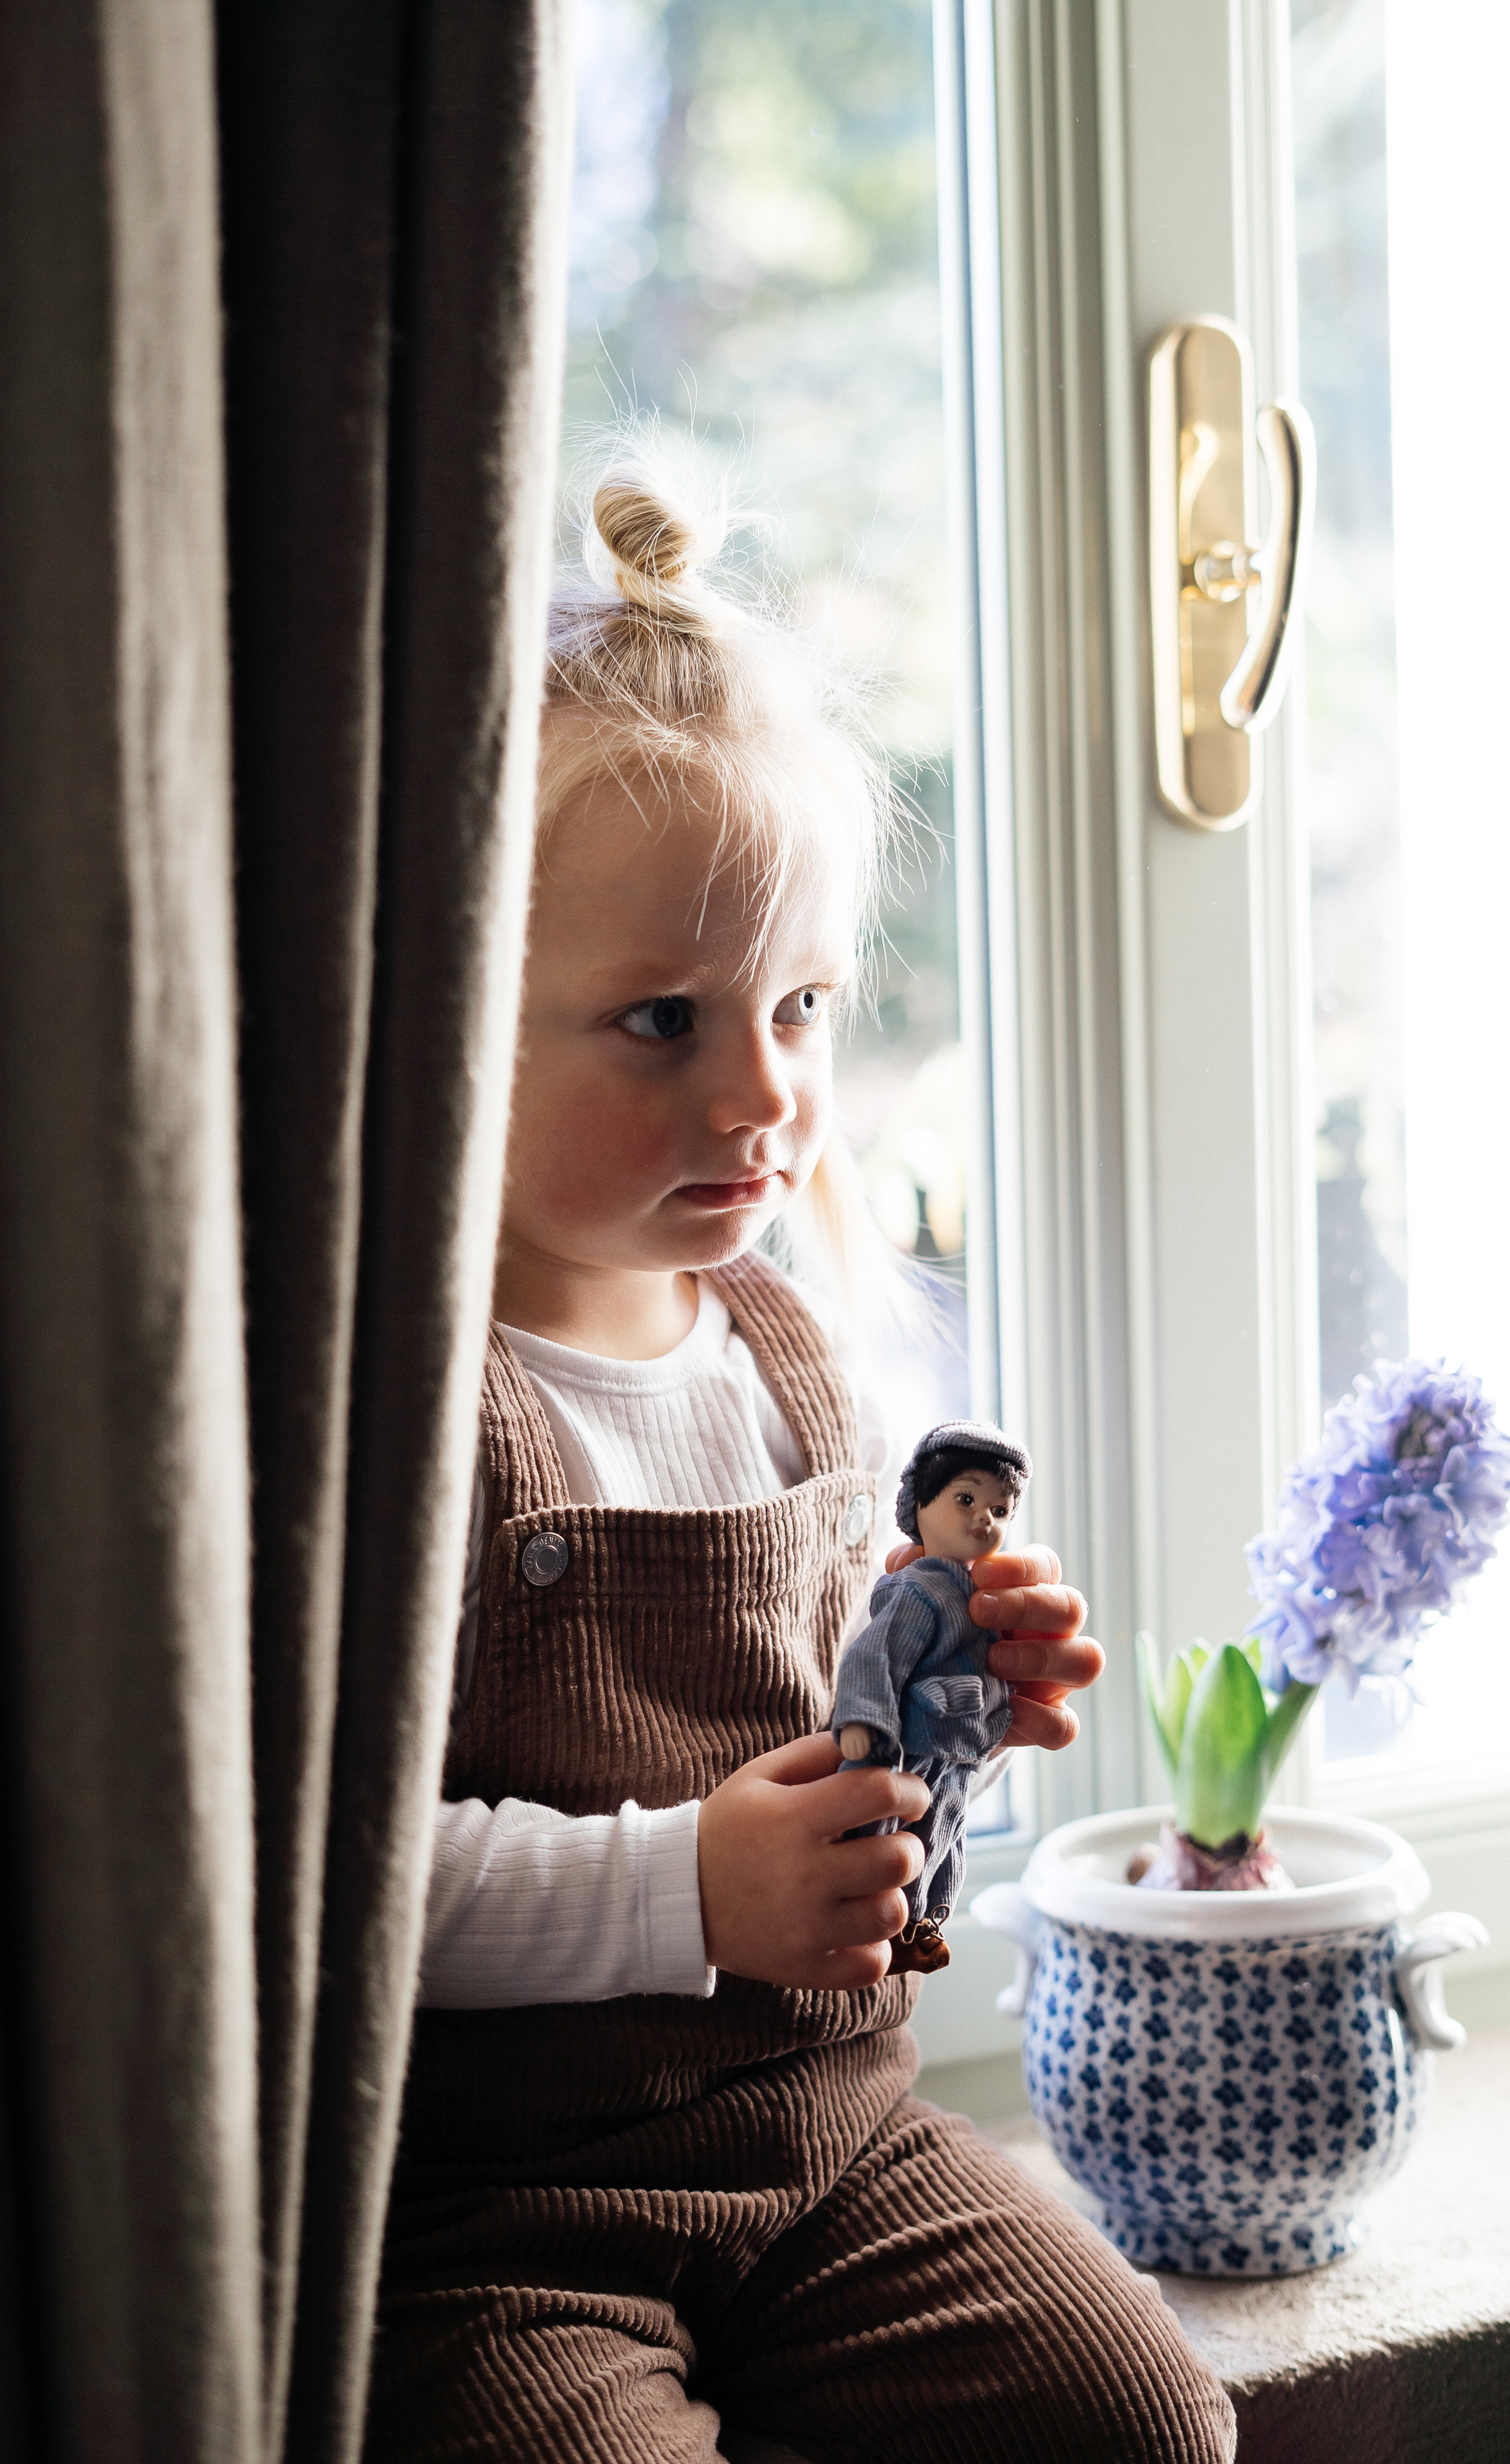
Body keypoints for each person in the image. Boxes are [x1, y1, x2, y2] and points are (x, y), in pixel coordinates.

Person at [364, 455, 1237, 2463]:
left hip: (831, 2136)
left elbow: (817, 1725)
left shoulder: (798, 1347)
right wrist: (687, 1882)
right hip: (493, 2219)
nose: (764, 1094)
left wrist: (946, 1713)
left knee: (1138, 2416)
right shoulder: (397, 1407)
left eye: (803, 1006)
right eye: (660, 1018)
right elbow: (333, 1880)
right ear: (436, 1020)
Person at [833, 1424, 1029, 1974]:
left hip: (962, 1744)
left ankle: (922, 1922)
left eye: (1001, 1509)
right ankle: (873, 1913)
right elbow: (875, 1655)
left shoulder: (980, 1595)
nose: (983, 1519)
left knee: (945, 1836)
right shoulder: (920, 1589)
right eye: (965, 1499)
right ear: (919, 1503)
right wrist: (862, 1718)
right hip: (920, 1732)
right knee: (890, 1827)